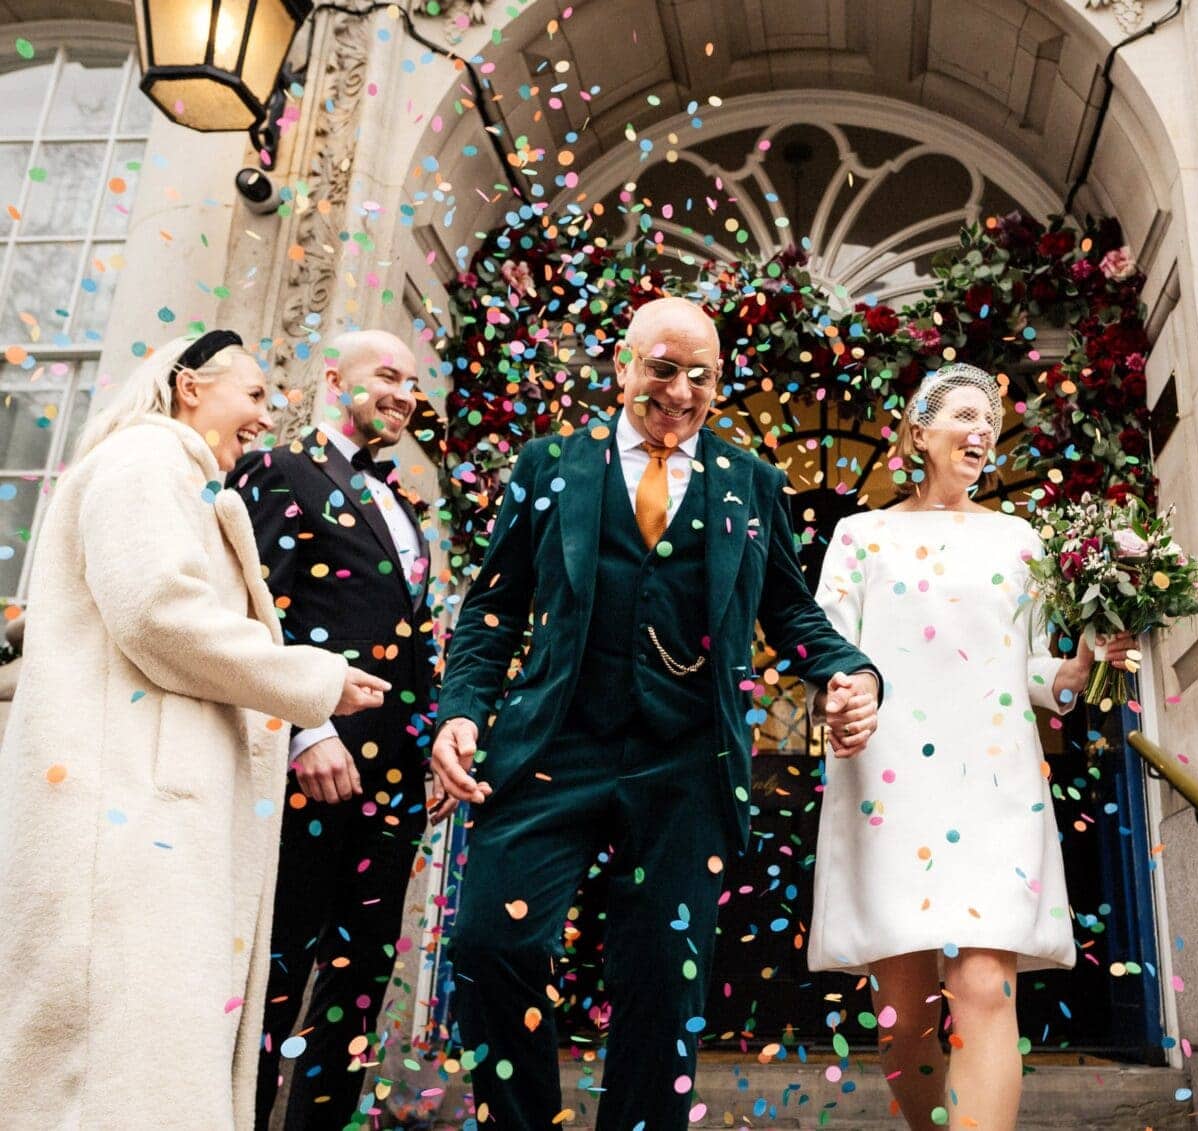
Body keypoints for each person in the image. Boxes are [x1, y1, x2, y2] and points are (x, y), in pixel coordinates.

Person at [430, 296, 883, 1129]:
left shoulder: (751, 481)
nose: (681, 390)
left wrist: (852, 672)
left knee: (661, 989)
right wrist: (462, 710)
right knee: (492, 944)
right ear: (621, 368)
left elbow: (790, 610)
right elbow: (492, 610)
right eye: (663, 369)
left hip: (684, 764)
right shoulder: (548, 465)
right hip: (550, 747)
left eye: (701, 374)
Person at [0, 331, 387, 1129]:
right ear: (187, 387)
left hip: (154, 812)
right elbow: (159, 612)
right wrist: (311, 681)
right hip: (131, 813)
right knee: (122, 1061)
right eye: (251, 394)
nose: (264, 415)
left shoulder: (183, 480)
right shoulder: (147, 461)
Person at [808, 364, 1132, 1129]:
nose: (982, 428)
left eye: (990, 417)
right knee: (905, 1013)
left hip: (995, 780)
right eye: (962, 413)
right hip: (889, 784)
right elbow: (824, 651)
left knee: (986, 984)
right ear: (919, 432)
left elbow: (1030, 668)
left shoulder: (1018, 539)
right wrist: (837, 695)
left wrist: (1081, 668)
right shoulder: (863, 535)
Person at [229, 329, 436, 1129]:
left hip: (393, 782)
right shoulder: (279, 470)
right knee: (275, 972)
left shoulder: (404, 505)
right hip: (310, 767)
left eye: (413, 383)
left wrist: (430, 751)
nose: (404, 393)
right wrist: (302, 729)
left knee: (359, 982)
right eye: (387, 375)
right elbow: (256, 610)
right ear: (332, 377)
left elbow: (407, 641)